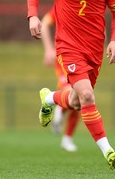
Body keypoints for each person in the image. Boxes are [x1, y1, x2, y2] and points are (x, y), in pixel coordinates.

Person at [27, 0, 115, 170]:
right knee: (88, 96)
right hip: (68, 48)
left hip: (94, 51)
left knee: (77, 101)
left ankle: (49, 98)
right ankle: (108, 150)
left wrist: (114, 40)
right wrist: (32, 17)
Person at [40, 9, 80, 152]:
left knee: (79, 100)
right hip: (64, 54)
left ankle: (67, 138)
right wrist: (49, 49)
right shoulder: (61, 6)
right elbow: (44, 24)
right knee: (72, 90)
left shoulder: (87, 4)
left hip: (82, 55)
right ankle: (56, 107)